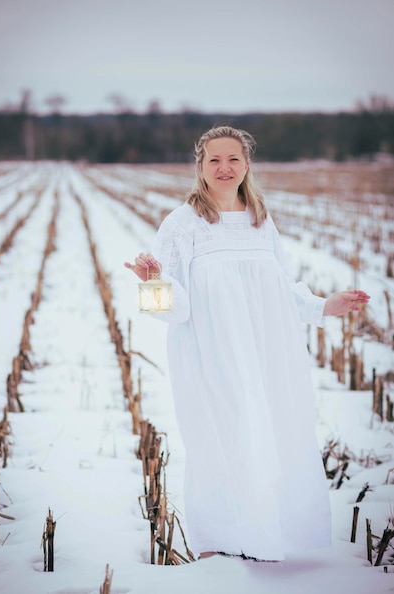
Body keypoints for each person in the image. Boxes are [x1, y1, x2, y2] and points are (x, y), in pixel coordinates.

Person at [124, 126, 370, 562]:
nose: (224, 168)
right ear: (199, 166)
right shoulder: (182, 224)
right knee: (223, 441)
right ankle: (222, 542)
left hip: (267, 354)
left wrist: (323, 306)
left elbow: (281, 287)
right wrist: (153, 282)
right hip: (211, 356)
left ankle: (272, 536)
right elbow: (174, 309)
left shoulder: (260, 218)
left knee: (274, 435)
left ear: (247, 164)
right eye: (214, 160)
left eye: (233, 159)